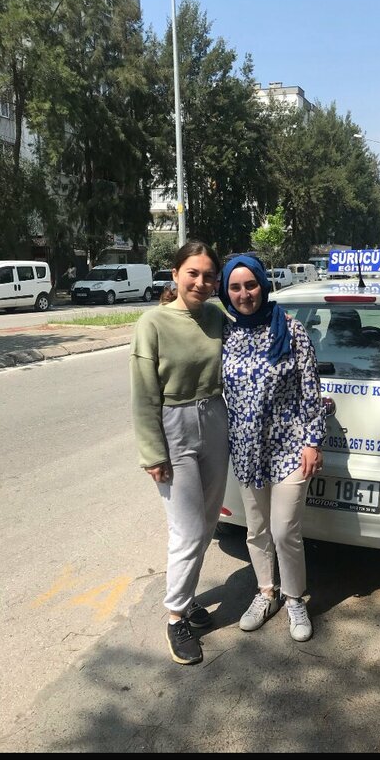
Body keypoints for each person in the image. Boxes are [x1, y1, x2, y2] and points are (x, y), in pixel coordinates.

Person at [130, 241, 229, 665]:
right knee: (187, 530)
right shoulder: (152, 324)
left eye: (208, 275)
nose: (201, 282)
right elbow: (143, 396)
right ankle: (175, 617)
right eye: (193, 273)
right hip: (175, 428)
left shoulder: (216, 317)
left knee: (207, 522)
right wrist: (153, 453)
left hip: (216, 422)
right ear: (174, 273)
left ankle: (187, 601)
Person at [220, 255, 326, 642]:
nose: (244, 294)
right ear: (226, 292)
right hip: (247, 450)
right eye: (235, 287)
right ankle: (266, 592)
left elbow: (310, 392)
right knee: (256, 529)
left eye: (250, 285)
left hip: (289, 448)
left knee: (284, 531)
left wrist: (312, 442)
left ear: (263, 285)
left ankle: (294, 598)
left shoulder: (291, 330)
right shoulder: (226, 336)